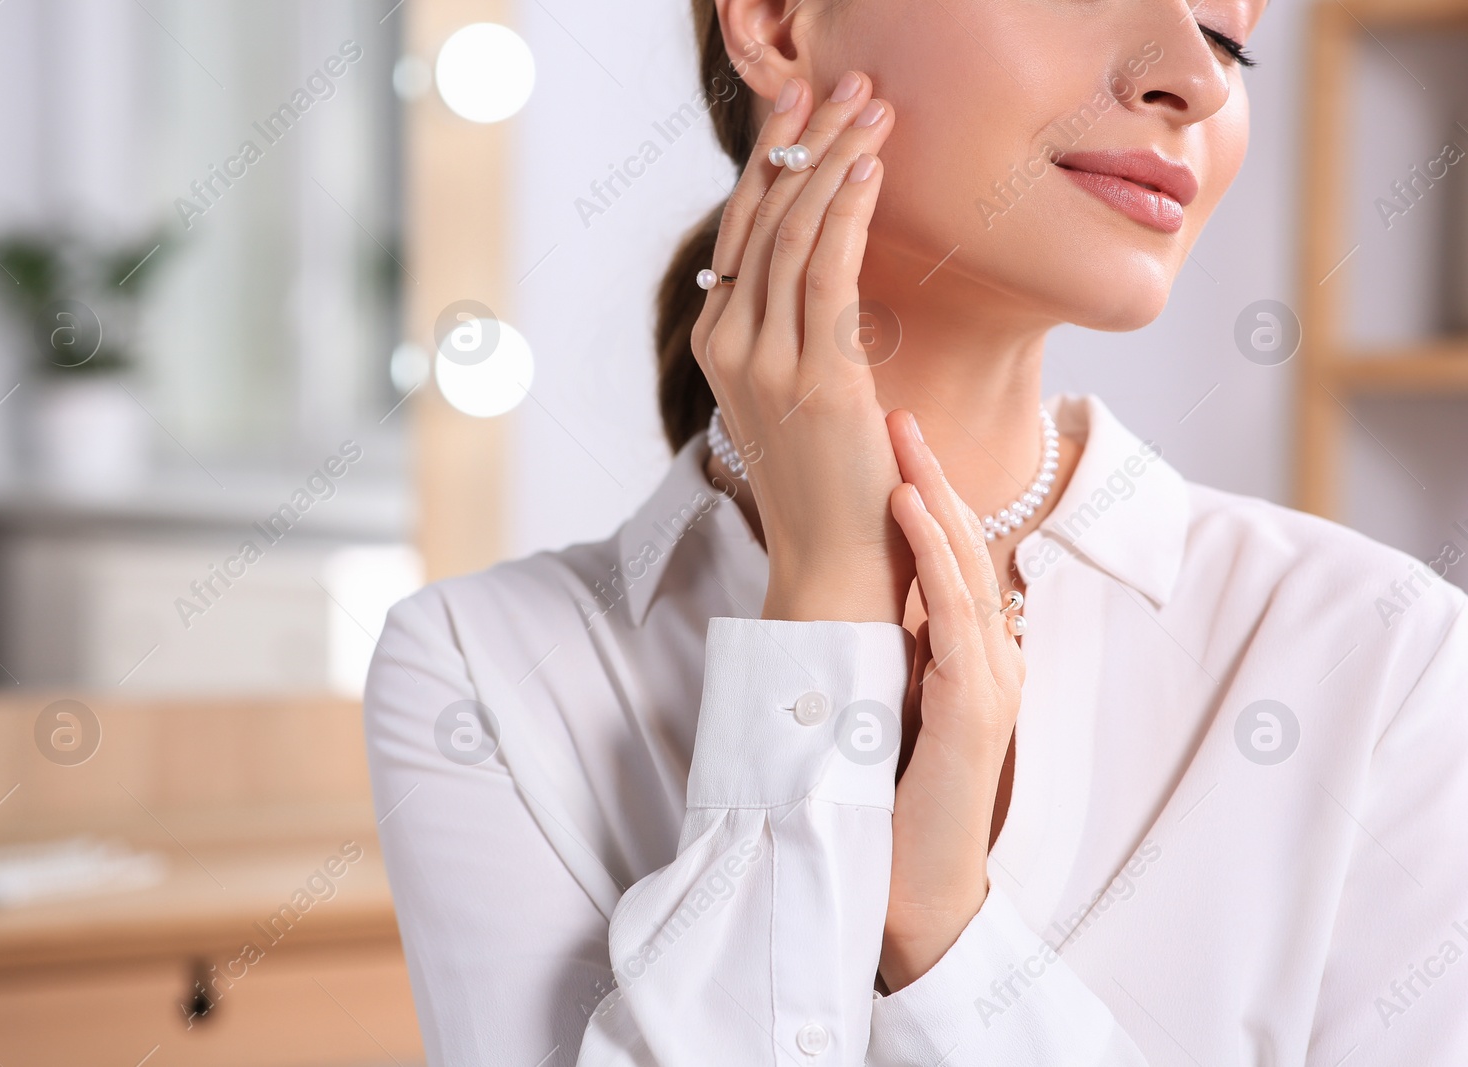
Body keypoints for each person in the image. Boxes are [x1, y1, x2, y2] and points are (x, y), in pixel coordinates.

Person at [364, 0, 1468, 1062]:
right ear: (780, 22)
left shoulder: (1384, 655)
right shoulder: (484, 676)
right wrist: (827, 606)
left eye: (1231, 37)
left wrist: (941, 929)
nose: (1192, 75)